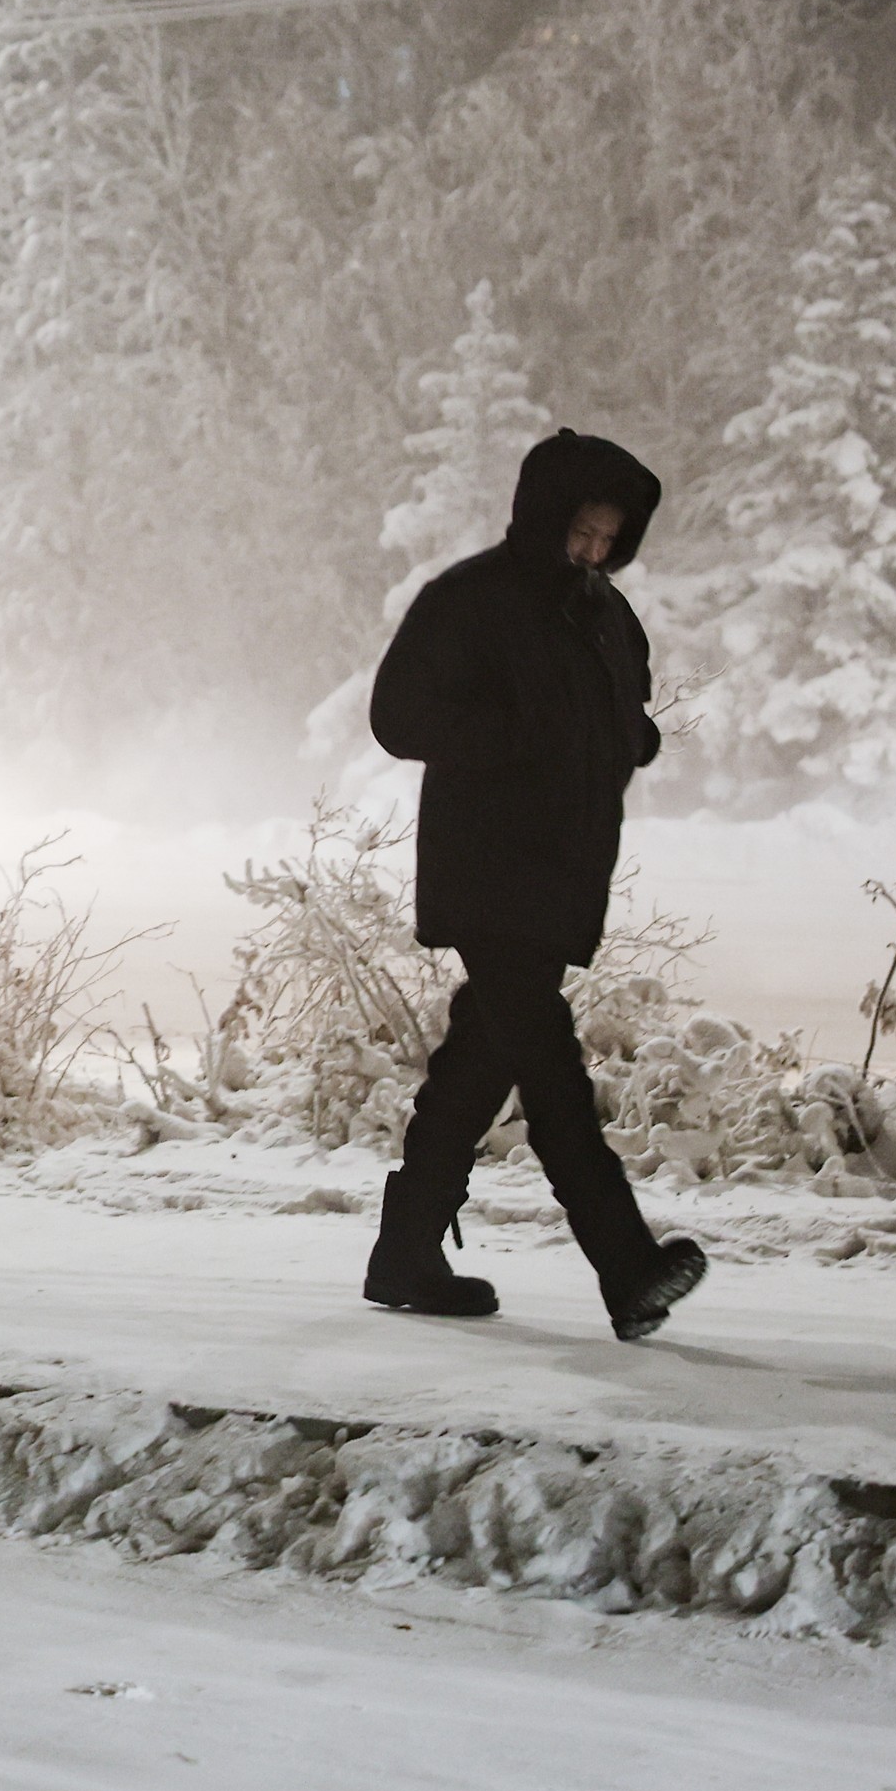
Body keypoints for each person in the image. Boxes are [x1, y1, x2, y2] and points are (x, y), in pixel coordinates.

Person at [364, 427, 709, 1341]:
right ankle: (625, 1263)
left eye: (609, 537)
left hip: (560, 870)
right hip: (487, 866)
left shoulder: (604, 614)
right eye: (581, 532)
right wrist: (519, 739)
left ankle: (403, 1253)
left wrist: (627, 740)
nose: (594, 550)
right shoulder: (469, 601)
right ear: (543, 515)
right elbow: (397, 715)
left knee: (485, 1054)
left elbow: (617, 716)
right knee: (552, 1073)